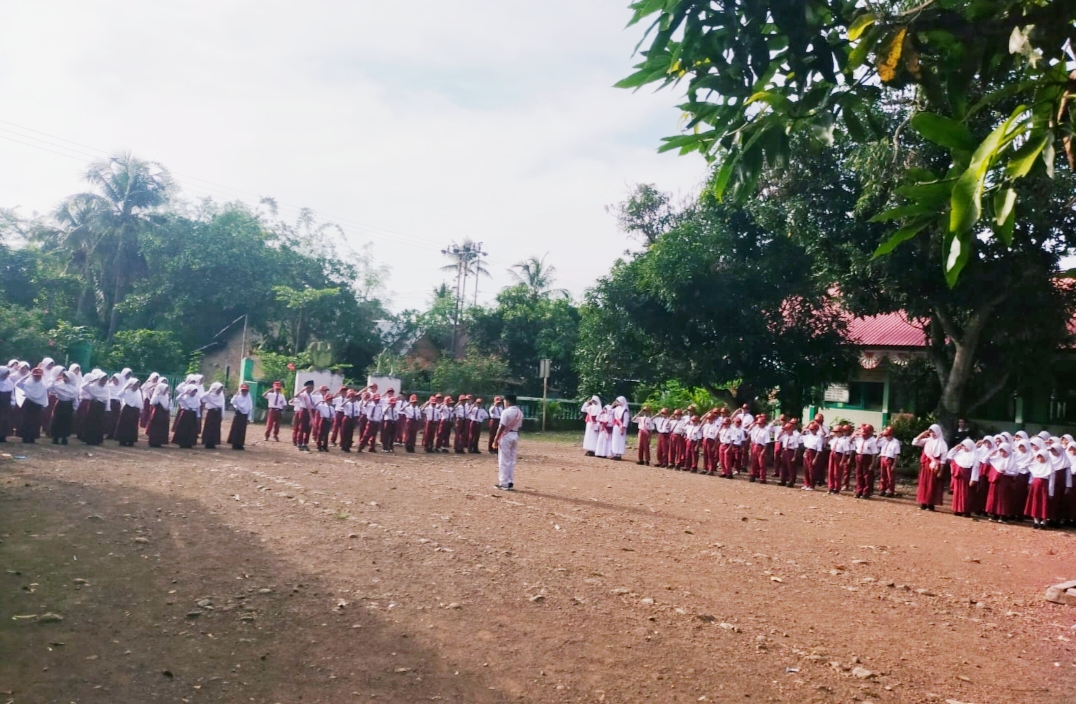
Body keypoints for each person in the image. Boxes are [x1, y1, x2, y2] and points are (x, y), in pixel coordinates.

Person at [912, 424, 948, 510]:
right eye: (931, 432)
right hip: (926, 466)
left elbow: (943, 460)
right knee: (924, 484)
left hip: (935, 468)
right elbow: (914, 442)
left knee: (932, 485)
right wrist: (922, 434)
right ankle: (923, 502)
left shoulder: (942, 444)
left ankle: (931, 504)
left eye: (934, 432)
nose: (932, 434)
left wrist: (940, 471)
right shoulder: (927, 441)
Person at [493, 394, 523, 490]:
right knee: (511, 460)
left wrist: (496, 439)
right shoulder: (520, 412)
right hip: (515, 434)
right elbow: (520, 427)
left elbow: (502, 426)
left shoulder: (506, 412)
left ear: (508, 402)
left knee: (503, 460)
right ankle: (510, 481)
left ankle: (503, 483)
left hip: (506, 435)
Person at [15, 367, 48, 443]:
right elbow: (17, 384)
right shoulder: (27, 383)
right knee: (26, 421)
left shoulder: (42, 385)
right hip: (28, 404)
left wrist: (43, 404)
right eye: (36, 376)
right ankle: (25, 437)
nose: (37, 378)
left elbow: (44, 395)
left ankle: (32, 437)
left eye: (39, 376)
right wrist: (26, 376)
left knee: (36, 422)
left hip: (37, 406)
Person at [948, 438, 977, 516]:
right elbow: (949, 456)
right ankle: (957, 509)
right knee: (957, 493)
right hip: (959, 477)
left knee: (966, 494)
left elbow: (975, 469)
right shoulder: (959, 453)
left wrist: (973, 479)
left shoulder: (974, 456)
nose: (964, 448)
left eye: (966, 446)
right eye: (963, 446)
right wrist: (955, 448)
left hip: (967, 478)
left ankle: (966, 510)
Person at [81, 372, 110, 446]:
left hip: (101, 406)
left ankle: (97, 440)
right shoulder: (93, 387)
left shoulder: (106, 388)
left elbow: (107, 398)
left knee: (99, 423)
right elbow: (83, 387)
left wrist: (107, 408)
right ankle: (89, 439)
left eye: (105, 380)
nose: (103, 382)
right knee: (91, 422)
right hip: (94, 405)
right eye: (102, 380)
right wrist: (90, 381)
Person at [114, 378, 143, 447]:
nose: (136, 387)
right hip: (127, 409)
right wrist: (125, 388)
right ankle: (122, 440)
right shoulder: (127, 390)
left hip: (135, 410)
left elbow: (140, 401)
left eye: (137, 385)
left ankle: (131, 440)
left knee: (133, 426)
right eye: (134, 385)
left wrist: (140, 410)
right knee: (124, 425)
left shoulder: (138, 391)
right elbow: (119, 395)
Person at [853, 424, 880, 499]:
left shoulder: (872, 441)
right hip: (859, 456)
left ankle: (866, 492)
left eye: (865, 435)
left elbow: (874, 453)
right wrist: (855, 434)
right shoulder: (859, 439)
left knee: (867, 476)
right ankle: (859, 491)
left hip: (867, 457)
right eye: (863, 435)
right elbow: (850, 441)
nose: (864, 436)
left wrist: (872, 464)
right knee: (859, 475)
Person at [877, 426, 901, 497]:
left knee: (890, 476)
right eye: (885, 435)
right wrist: (878, 437)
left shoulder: (895, 442)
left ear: (892, 435)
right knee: (883, 475)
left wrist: (894, 464)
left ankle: (890, 490)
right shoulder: (883, 440)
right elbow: (875, 444)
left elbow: (897, 454)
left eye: (887, 435)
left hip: (890, 459)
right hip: (883, 458)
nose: (886, 437)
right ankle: (883, 489)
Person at [294, 380, 317, 451]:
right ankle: (299, 443)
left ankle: (305, 443)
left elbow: (313, 405)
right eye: (309, 387)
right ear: (306, 387)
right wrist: (303, 389)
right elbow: (296, 396)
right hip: (304, 411)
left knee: (308, 429)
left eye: (312, 387)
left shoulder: (312, 396)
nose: (311, 389)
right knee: (302, 428)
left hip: (310, 412)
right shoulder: (303, 395)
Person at [201, 382, 226, 449]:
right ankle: (207, 443)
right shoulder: (209, 395)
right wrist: (210, 391)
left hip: (218, 413)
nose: (219, 391)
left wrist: (222, 415)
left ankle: (213, 443)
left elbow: (223, 405)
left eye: (221, 389)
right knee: (209, 427)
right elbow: (202, 397)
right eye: (218, 389)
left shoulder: (221, 396)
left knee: (216, 428)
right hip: (211, 412)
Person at [147, 382, 172, 448]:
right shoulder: (157, 395)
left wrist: (168, 409)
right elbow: (152, 402)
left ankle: (160, 442)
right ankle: (153, 442)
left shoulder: (167, 396)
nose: (166, 391)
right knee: (155, 428)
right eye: (165, 389)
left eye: (167, 389)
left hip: (164, 414)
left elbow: (170, 404)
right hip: (157, 414)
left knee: (162, 428)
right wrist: (157, 396)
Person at [228, 384, 253, 450]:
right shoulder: (238, 398)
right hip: (238, 415)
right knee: (235, 430)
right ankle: (234, 444)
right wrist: (236, 394)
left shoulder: (248, 399)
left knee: (242, 431)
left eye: (246, 391)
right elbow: (232, 401)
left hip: (244, 417)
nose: (244, 392)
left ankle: (240, 444)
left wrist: (249, 418)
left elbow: (250, 409)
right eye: (243, 390)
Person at [610, 397, 630, 461]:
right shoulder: (617, 408)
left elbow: (626, 420)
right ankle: (615, 453)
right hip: (616, 426)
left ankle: (619, 455)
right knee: (615, 440)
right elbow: (610, 412)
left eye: (618, 401)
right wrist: (612, 405)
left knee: (620, 440)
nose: (617, 403)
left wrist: (623, 427)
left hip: (621, 427)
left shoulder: (625, 410)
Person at [0, 367, 13, 443]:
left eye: (6, 375)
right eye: (4, 374)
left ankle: (3, 436)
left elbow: (12, 393)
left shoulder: (9, 382)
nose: (5, 376)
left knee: (5, 420)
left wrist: (13, 402)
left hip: (6, 405)